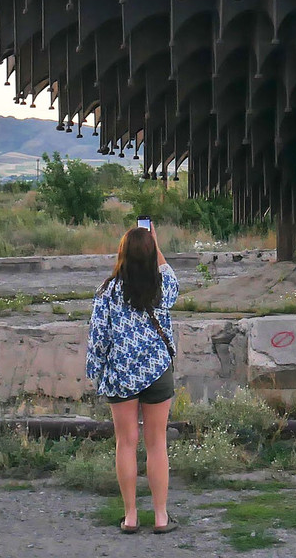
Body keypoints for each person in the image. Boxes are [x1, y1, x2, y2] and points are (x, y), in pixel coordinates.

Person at [85, 222, 180, 534]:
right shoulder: (161, 286)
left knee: (126, 443)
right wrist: (155, 244)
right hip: (156, 372)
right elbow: (170, 276)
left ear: (121, 254)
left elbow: (98, 339)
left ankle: (130, 517)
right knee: (157, 443)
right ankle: (162, 517)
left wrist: (95, 372)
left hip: (120, 374)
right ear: (152, 254)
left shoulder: (106, 292)